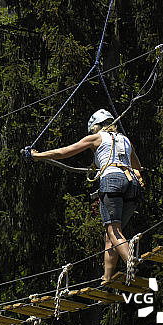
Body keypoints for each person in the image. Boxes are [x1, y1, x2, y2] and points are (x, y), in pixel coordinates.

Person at [24, 109, 143, 282]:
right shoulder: (125, 140)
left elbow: (65, 151)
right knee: (111, 234)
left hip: (112, 180)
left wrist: (37, 155)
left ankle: (131, 262)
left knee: (113, 230)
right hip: (131, 183)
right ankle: (107, 278)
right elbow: (137, 165)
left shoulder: (96, 138)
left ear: (97, 127)